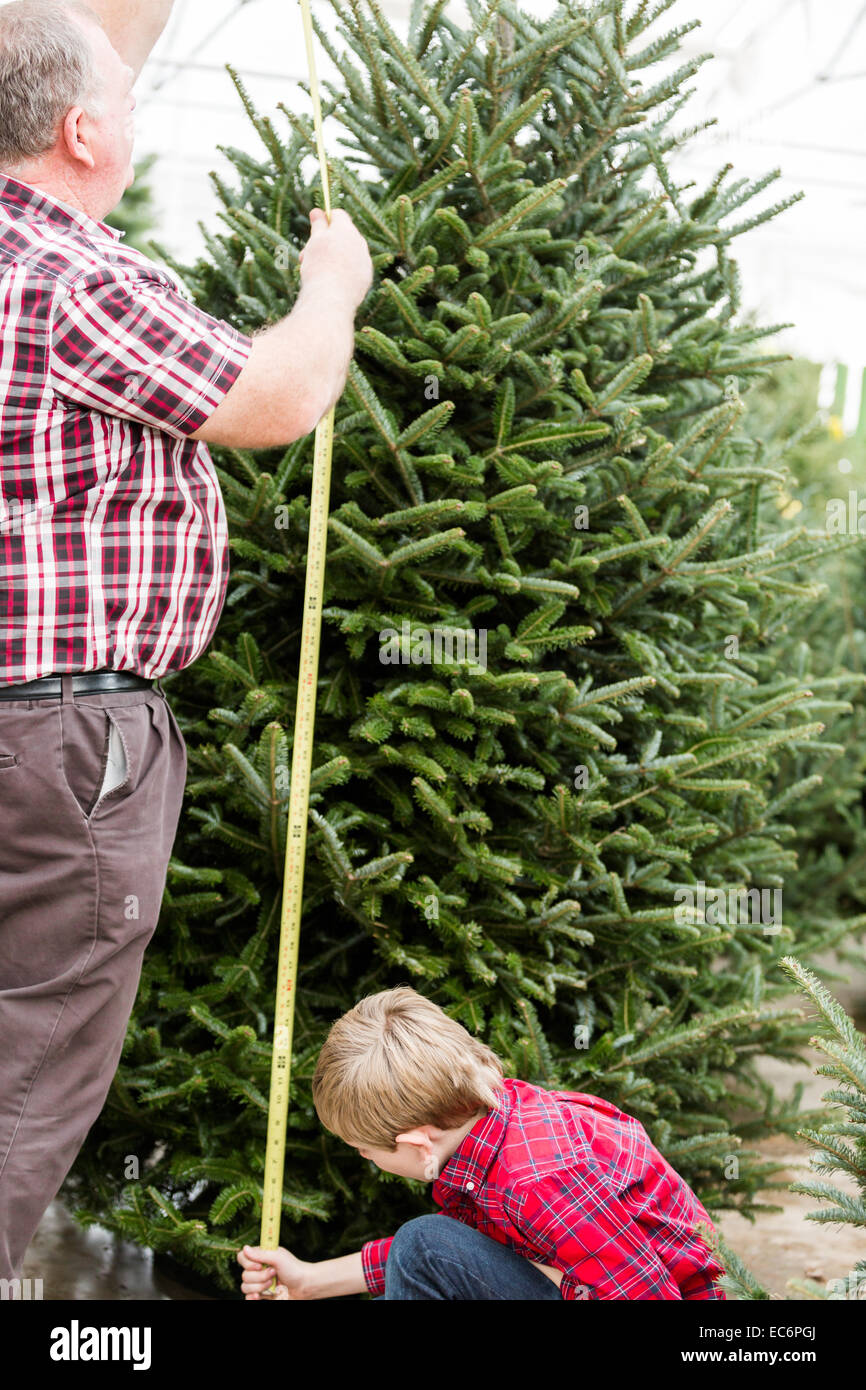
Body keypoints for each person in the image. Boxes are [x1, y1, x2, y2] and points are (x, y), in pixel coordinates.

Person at [0, 0, 373, 1284]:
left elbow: (58, 59)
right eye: (128, 103)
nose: (141, 117)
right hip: (60, 738)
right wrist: (332, 291)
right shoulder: (70, 275)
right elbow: (274, 398)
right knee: (29, 1066)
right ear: (84, 133)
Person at [237, 987, 727, 1301]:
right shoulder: (490, 1131)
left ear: (418, 1144)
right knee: (424, 1250)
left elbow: (648, 1297)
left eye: (365, 1148)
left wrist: (557, 1279)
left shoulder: (538, 1178)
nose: (364, 1157)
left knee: (423, 1243)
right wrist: (311, 1280)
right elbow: (457, 1256)